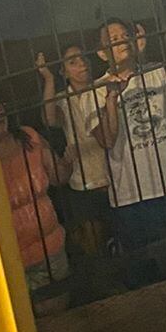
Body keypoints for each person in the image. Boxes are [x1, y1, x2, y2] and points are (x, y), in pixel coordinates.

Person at [90, 18, 166, 255]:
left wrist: (143, 60)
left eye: (125, 35)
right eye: (114, 40)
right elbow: (107, 140)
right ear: (102, 54)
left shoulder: (158, 72)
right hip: (130, 195)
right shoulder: (94, 89)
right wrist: (111, 100)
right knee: (143, 266)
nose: (123, 41)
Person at [0, 91, 73, 309]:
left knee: (58, 318)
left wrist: (68, 160)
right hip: (7, 260)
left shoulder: (29, 139)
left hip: (49, 249)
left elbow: (59, 176)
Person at [36, 47, 111, 257]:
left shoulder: (102, 88)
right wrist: (48, 79)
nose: (82, 65)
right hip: (83, 180)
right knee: (93, 243)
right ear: (64, 71)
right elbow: (49, 119)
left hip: (115, 174)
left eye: (83, 58)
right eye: (72, 62)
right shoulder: (62, 99)